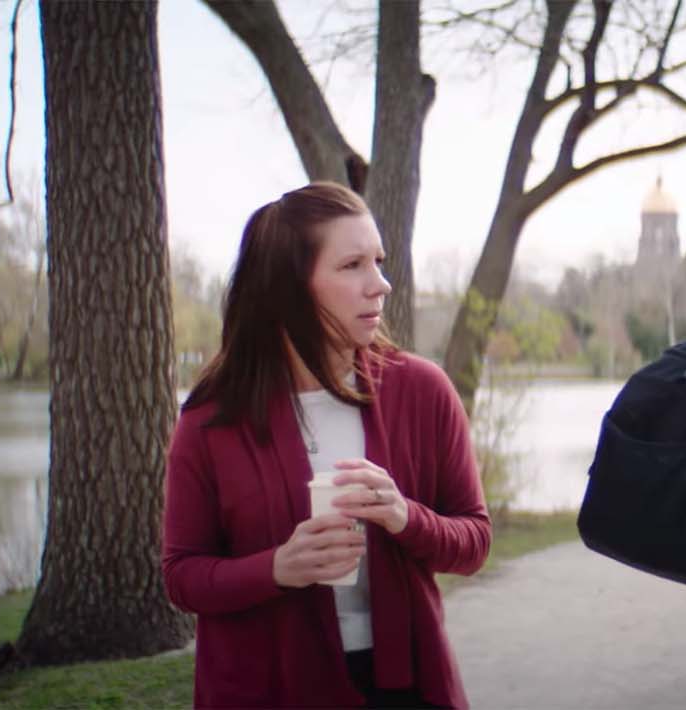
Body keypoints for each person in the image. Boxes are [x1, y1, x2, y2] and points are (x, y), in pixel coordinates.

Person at [162, 182, 491, 709]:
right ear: (291, 287)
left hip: (404, 688)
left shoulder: (423, 390)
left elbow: (474, 541)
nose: (380, 284)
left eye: (378, 262)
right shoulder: (210, 419)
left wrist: (405, 516)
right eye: (352, 265)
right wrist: (276, 567)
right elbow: (182, 576)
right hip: (268, 689)